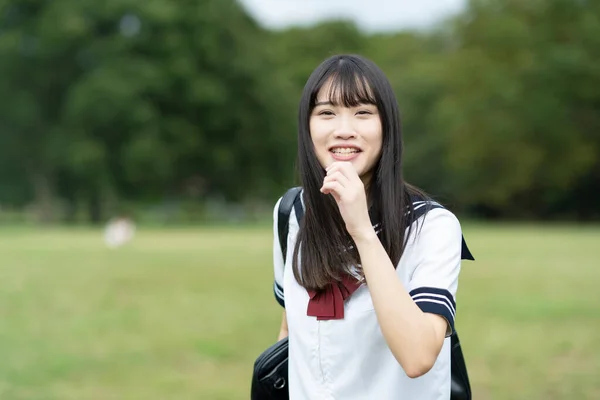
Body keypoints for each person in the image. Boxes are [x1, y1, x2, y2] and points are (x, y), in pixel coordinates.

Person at [271, 54, 466, 399]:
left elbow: (418, 356)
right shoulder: (291, 212)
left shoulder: (431, 227)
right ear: (307, 126)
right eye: (327, 113)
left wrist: (360, 228)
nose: (344, 129)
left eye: (363, 113)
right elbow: (290, 327)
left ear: (386, 126)